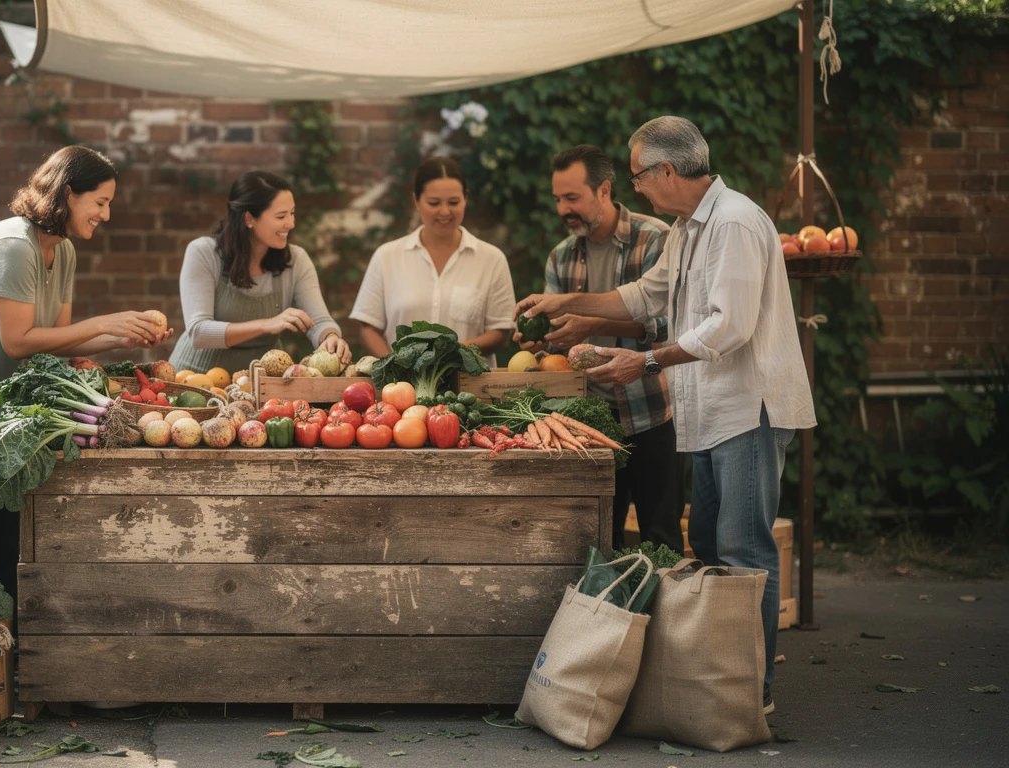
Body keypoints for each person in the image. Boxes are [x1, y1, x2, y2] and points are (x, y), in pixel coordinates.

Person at [515, 117, 815, 714]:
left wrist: (644, 361)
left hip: (746, 410)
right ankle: (720, 679)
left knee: (743, 550)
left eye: (639, 178)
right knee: (705, 541)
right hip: (707, 413)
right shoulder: (687, 228)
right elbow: (646, 295)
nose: (638, 190)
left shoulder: (733, 222)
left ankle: (752, 695)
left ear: (667, 171)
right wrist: (564, 301)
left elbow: (727, 327)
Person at [0, 146, 172, 602]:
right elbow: (18, 341)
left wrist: (121, 337)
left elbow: (57, 339)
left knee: (3, 534)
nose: (106, 215)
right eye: (100, 202)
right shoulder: (13, 246)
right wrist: (105, 321)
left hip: (0, 400)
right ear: (69, 193)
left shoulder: (61, 251)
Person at [517, 145, 682, 553]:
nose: (562, 209)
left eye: (572, 198)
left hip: (649, 415)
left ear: (604, 190)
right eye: (557, 199)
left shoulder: (655, 238)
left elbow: (665, 325)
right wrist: (538, 341)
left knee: (661, 540)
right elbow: (554, 338)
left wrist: (592, 325)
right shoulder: (561, 256)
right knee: (595, 543)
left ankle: (663, 618)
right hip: (584, 424)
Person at [169, 171, 350, 375]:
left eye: (292, 213)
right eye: (281, 216)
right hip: (196, 379)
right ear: (248, 218)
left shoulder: (296, 260)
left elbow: (318, 322)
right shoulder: (203, 253)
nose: (291, 223)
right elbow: (199, 332)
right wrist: (266, 324)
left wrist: (330, 336)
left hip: (264, 384)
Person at [349, 157, 516, 365]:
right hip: (403, 390)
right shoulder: (387, 257)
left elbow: (500, 332)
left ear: (466, 199)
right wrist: (395, 367)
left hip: (470, 388)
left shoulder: (491, 259)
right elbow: (369, 327)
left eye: (454, 202)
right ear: (416, 201)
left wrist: (453, 352)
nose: (445, 211)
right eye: (434, 203)